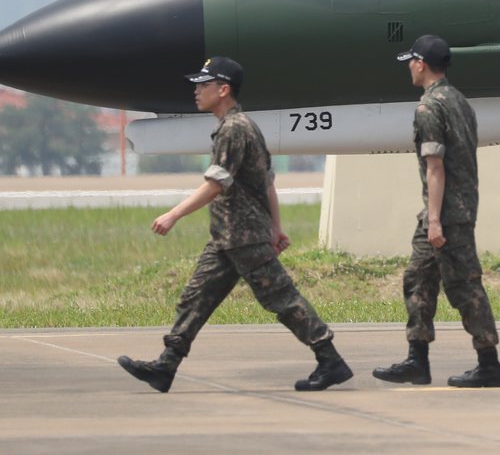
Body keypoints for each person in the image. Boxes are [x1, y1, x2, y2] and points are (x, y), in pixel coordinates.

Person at [117, 57, 352, 393]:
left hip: (244, 237)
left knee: (282, 300)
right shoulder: (242, 126)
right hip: (229, 237)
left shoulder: (234, 129)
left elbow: (216, 183)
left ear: (223, 89)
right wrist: (277, 227)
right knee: (195, 298)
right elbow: (267, 180)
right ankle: (166, 365)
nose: (196, 91)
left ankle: (330, 360)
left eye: (203, 84)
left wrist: (174, 215)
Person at [372, 35, 500, 388]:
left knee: (464, 287)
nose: (408, 68)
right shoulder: (459, 101)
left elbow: (436, 167)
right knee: (418, 279)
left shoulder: (429, 107)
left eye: (410, 61)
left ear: (421, 64)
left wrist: (434, 220)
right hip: (450, 208)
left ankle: (489, 364)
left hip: (446, 213)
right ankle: (418, 360)